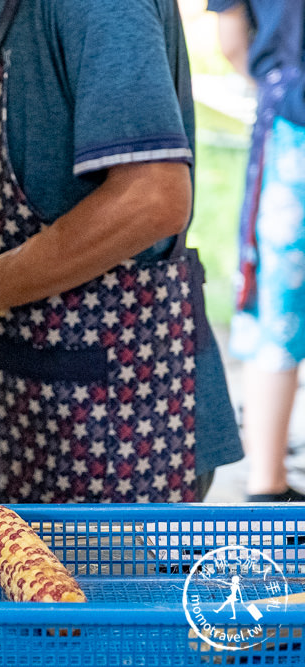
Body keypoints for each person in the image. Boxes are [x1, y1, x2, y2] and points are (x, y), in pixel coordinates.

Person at [0, 0, 243, 504]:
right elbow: (46, 152)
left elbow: (153, 196)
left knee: (99, 586)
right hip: (34, 389)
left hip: (122, 410)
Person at [209, 1, 305, 502]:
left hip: (291, 122)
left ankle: (268, 482)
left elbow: (231, 42)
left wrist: (274, 80)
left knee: (277, 300)